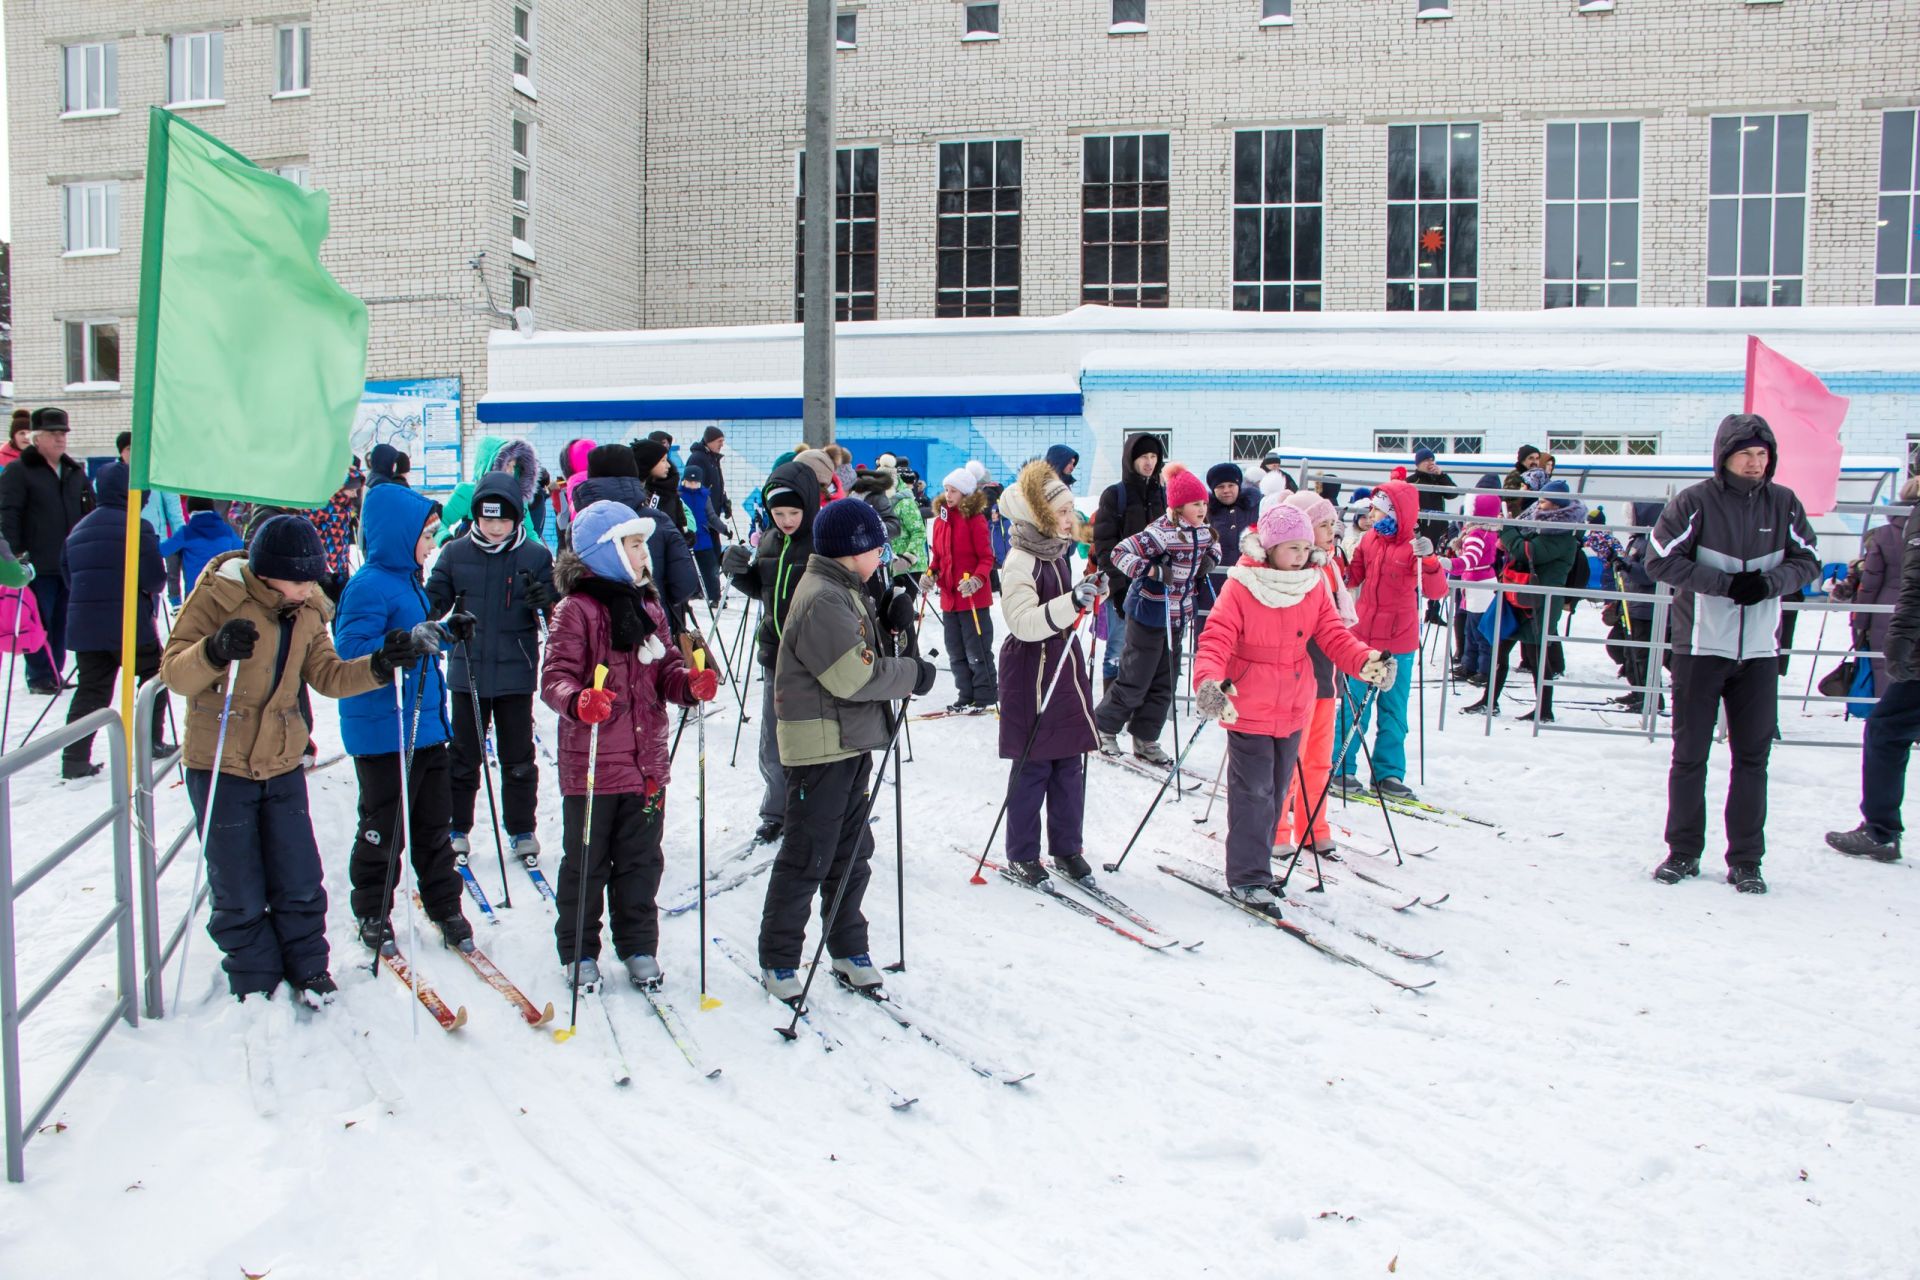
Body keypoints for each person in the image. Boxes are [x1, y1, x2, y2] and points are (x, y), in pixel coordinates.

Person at [159, 519, 413, 1001]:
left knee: (298, 873)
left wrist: (379, 665)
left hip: (281, 758)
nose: (308, 589)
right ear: (268, 573)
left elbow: (328, 675)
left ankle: (308, 965)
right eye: (300, 580)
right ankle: (254, 976)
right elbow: (174, 672)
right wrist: (213, 651)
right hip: (221, 762)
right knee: (238, 881)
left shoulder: (309, 608)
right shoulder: (218, 596)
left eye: (313, 579)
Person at [755, 498, 933, 1001]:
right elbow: (854, 677)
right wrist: (913, 675)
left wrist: (891, 623)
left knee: (852, 853)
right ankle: (780, 957)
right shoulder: (823, 598)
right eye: (878, 547)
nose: (883, 555)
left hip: (849, 740)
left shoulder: (847, 590)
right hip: (821, 747)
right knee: (809, 854)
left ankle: (848, 947)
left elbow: (866, 652)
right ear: (853, 550)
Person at [541, 500, 717, 988]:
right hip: (593, 765)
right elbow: (554, 676)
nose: (644, 554)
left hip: (646, 765)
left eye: (643, 544)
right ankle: (579, 949)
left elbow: (665, 672)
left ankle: (638, 943)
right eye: (633, 545)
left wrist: (689, 684)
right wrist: (578, 701)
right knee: (586, 861)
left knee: (642, 861)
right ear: (606, 552)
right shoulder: (574, 610)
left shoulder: (650, 606)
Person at [1646, 413, 1819, 895]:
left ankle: (1746, 859)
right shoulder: (1694, 503)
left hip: (1760, 651)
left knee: (1752, 759)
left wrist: (1769, 583)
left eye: (1762, 455)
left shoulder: (1784, 504)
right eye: (1746, 453)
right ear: (1725, 456)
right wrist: (1723, 584)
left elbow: (1809, 560)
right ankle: (1683, 851)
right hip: (1701, 646)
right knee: (1690, 756)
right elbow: (1658, 558)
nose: (1755, 462)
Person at [1194, 501, 1392, 916]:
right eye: (1292, 548)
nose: (1301, 555)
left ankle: (1260, 869)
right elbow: (1216, 638)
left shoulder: (1313, 584)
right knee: (1255, 791)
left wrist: (1365, 661)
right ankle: (1247, 876)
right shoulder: (1243, 584)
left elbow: (1334, 635)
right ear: (1269, 547)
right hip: (1249, 702)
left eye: (1306, 547)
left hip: (1294, 702)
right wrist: (1208, 683)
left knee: (1278, 791)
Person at [333, 482, 475, 951]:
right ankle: (372, 910)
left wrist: (445, 632)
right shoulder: (366, 586)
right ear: (398, 535)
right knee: (384, 827)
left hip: (427, 726)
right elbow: (351, 652)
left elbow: (418, 638)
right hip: (384, 732)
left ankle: (445, 905)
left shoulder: (407, 580)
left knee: (435, 825)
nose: (433, 544)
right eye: (427, 535)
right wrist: (394, 648)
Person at [426, 471, 555, 871]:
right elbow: (433, 602)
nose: (495, 527)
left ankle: (521, 828)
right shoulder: (453, 553)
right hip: (469, 672)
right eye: (487, 519)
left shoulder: (535, 555)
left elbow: (557, 612)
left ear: (517, 518)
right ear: (475, 518)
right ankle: (457, 826)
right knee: (463, 756)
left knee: (518, 757)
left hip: (516, 671)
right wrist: (426, 612)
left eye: (503, 519)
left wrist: (549, 597)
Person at [996, 460, 1105, 885]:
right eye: (1060, 513)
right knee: (1034, 766)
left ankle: (1067, 847)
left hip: (1062, 661)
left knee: (1069, 763)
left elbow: (1065, 607)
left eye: (1070, 510)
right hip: (1030, 668)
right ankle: (1022, 853)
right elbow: (1023, 623)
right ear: (1038, 515)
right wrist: (1072, 602)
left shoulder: (1055, 550)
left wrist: (1087, 596)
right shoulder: (1021, 558)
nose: (1069, 519)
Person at [722, 459, 821, 844]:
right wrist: (739, 572)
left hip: (813, 659)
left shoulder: (821, 542)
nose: (786, 520)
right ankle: (775, 810)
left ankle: (812, 811)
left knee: (810, 741)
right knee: (773, 741)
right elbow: (766, 590)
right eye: (778, 513)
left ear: (808, 507)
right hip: (774, 654)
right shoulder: (769, 540)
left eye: (793, 512)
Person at [1826, 465, 1920, 863]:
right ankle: (1880, 828)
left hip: (1902, 631)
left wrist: (1892, 637)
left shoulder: (1889, 531)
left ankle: (1880, 830)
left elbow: (1910, 587)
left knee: (1886, 728)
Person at [1096, 462, 1219, 765]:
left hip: (1178, 618)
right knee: (1136, 678)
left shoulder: (1202, 533)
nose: (1202, 508)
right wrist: (1151, 569)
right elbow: (1119, 554)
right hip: (1149, 614)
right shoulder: (1160, 533)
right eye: (1195, 503)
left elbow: (1216, 548)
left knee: (1165, 683)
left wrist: (1209, 563)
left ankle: (1146, 738)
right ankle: (1103, 728)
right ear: (1178, 506)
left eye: (1203, 502)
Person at [57, 462, 171, 778]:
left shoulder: (77, 531)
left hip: (86, 628)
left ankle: (74, 759)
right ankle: (151, 742)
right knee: (154, 678)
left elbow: (68, 577)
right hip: (129, 625)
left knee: (91, 691)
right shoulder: (137, 527)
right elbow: (154, 578)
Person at [1333, 482, 1446, 798]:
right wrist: (1337, 556)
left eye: (1378, 508)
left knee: (1393, 710)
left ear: (1396, 511)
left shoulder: (1413, 546)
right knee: (1354, 708)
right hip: (1364, 638)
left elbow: (1436, 591)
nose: (1371, 513)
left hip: (1400, 641)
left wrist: (1432, 560)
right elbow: (1352, 577)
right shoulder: (1370, 539)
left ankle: (1388, 773)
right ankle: (1340, 766)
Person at [1463, 480, 1584, 722]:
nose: (1539, 505)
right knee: (1501, 649)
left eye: (1544, 501)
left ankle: (1545, 709)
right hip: (1518, 597)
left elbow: (1527, 552)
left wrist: (1507, 529)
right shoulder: (1539, 525)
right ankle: (1489, 701)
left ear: (1557, 506)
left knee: (1538, 659)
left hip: (1539, 603)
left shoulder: (1562, 534)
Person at [1277, 489, 1355, 856]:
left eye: (1332, 524)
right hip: (1297, 676)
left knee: (1319, 758)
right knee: (1289, 758)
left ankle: (1313, 825)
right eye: (1323, 524)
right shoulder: (1294, 571)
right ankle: (1277, 828)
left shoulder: (1330, 565)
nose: (1331, 531)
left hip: (1328, 673)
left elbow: (1340, 622)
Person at [0, 408, 92, 692]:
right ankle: (40, 675)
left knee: (62, 621)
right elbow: (8, 514)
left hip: (69, 562)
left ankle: (55, 671)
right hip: (35, 562)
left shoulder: (76, 472)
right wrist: (16, 555)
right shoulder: (19, 471)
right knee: (39, 621)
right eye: (53, 433)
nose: (60, 439)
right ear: (37, 438)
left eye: (63, 433)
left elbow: (90, 512)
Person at [572, 443, 703, 634]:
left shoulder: (577, 526)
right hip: (654, 633)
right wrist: (659, 598)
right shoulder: (656, 520)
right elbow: (685, 583)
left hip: (591, 636)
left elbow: (568, 581)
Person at [1092, 432, 1167, 684]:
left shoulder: (1164, 496)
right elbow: (1105, 545)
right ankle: (1111, 714)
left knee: (1152, 651)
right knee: (1117, 650)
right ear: (1130, 459)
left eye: (1153, 456)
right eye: (1143, 456)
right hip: (1124, 586)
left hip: (1157, 586)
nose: (1149, 462)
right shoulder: (1115, 495)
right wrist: (1119, 586)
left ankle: (1141, 707)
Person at [930, 463, 999, 711]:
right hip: (950, 598)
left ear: (966, 494)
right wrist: (930, 575)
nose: (948, 495)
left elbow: (986, 558)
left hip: (972, 598)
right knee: (956, 651)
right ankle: (965, 694)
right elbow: (937, 559)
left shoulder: (974, 519)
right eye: (946, 490)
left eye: (954, 491)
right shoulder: (940, 522)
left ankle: (985, 696)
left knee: (977, 649)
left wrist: (978, 580)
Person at [1447, 492, 1503, 686]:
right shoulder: (1482, 532)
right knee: (1471, 629)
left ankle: (1484, 669)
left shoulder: (1477, 534)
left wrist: (1448, 563)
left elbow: (1469, 559)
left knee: (1480, 631)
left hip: (1479, 586)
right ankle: (1469, 664)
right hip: (1474, 585)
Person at [1201, 463, 1259, 634]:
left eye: (1231, 485)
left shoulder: (1255, 507)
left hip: (1248, 584)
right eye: (1220, 486)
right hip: (1212, 585)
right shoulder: (1205, 512)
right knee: (1210, 633)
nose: (1226, 490)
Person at [160, 496, 245, 600]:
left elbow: (163, 550)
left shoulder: (186, 533)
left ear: (190, 511)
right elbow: (242, 549)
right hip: (222, 591)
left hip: (195, 593)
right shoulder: (227, 531)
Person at [305, 466, 362, 602]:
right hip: (325, 567)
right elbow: (305, 521)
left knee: (339, 602)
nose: (355, 495)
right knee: (326, 604)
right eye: (352, 490)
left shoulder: (345, 505)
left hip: (340, 564)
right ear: (339, 488)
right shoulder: (323, 503)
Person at [680, 459, 723, 608]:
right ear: (683, 481)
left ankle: (715, 597)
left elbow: (711, 517)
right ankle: (684, 599)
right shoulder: (678, 496)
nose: (692, 486)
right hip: (684, 539)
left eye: (695, 483)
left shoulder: (704, 496)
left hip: (703, 538)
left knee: (710, 569)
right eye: (689, 482)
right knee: (684, 571)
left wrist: (724, 529)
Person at [686, 427, 733, 535]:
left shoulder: (713, 459)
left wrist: (724, 502)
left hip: (713, 519)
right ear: (709, 441)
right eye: (719, 441)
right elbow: (694, 490)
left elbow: (715, 486)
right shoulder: (697, 459)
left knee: (715, 550)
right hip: (702, 521)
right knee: (711, 550)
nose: (722, 445)